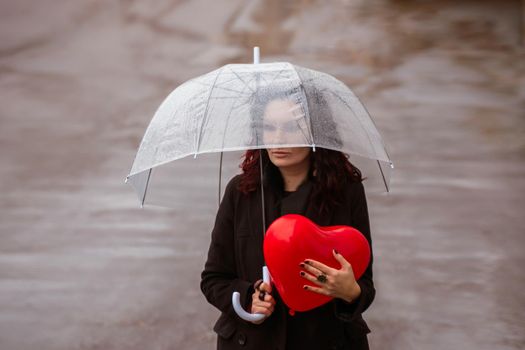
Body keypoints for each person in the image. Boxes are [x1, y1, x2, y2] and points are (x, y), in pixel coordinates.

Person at [200, 89, 375, 350]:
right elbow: (214, 278)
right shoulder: (241, 192)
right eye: (269, 128)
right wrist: (249, 296)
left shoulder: (345, 191)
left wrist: (350, 293)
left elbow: (365, 284)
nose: (278, 139)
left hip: (325, 341)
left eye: (292, 127)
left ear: (317, 131)